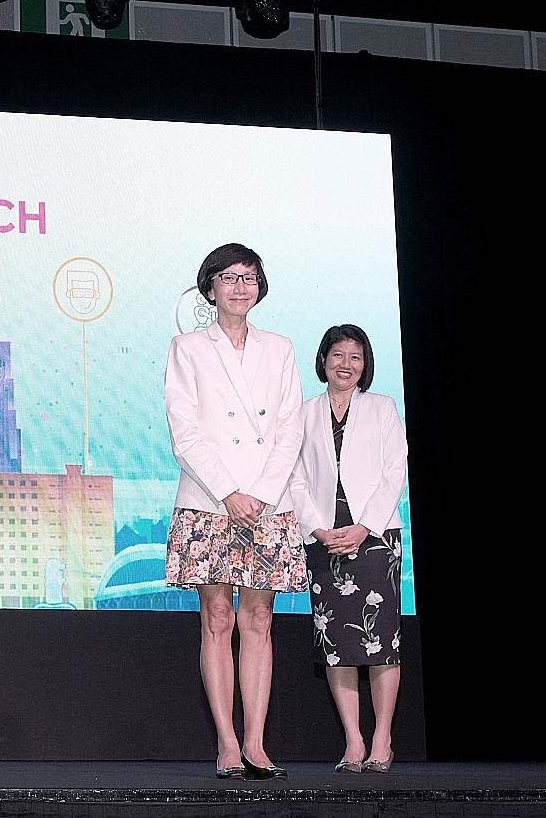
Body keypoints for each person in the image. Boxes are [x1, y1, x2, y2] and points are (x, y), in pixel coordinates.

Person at [163, 243, 308, 781]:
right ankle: (226, 742)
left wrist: (262, 494)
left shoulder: (280, 348)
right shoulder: (188, 348)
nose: (240, 286)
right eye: (229, 278)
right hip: (209, 498)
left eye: (249, 277)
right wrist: (229, 492)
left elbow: (291, 426)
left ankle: (256, 743)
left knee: (260, 620)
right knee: (217, 618)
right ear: (210, 288)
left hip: (267, 501)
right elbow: (186, 432)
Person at [289, 324, 408, 774]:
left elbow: (394, 470)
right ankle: (354, 741)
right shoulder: (303, 412)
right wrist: (317, 529)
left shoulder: (381, 408)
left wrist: (364, 527)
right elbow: (295, 476)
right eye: (338, 355)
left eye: (355, 357)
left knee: (382, 642)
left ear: (365, 364)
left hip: (374, 538)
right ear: (323, 360)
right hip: (324, 539)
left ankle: (382, 739)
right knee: (337, 643)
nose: (346, 364)